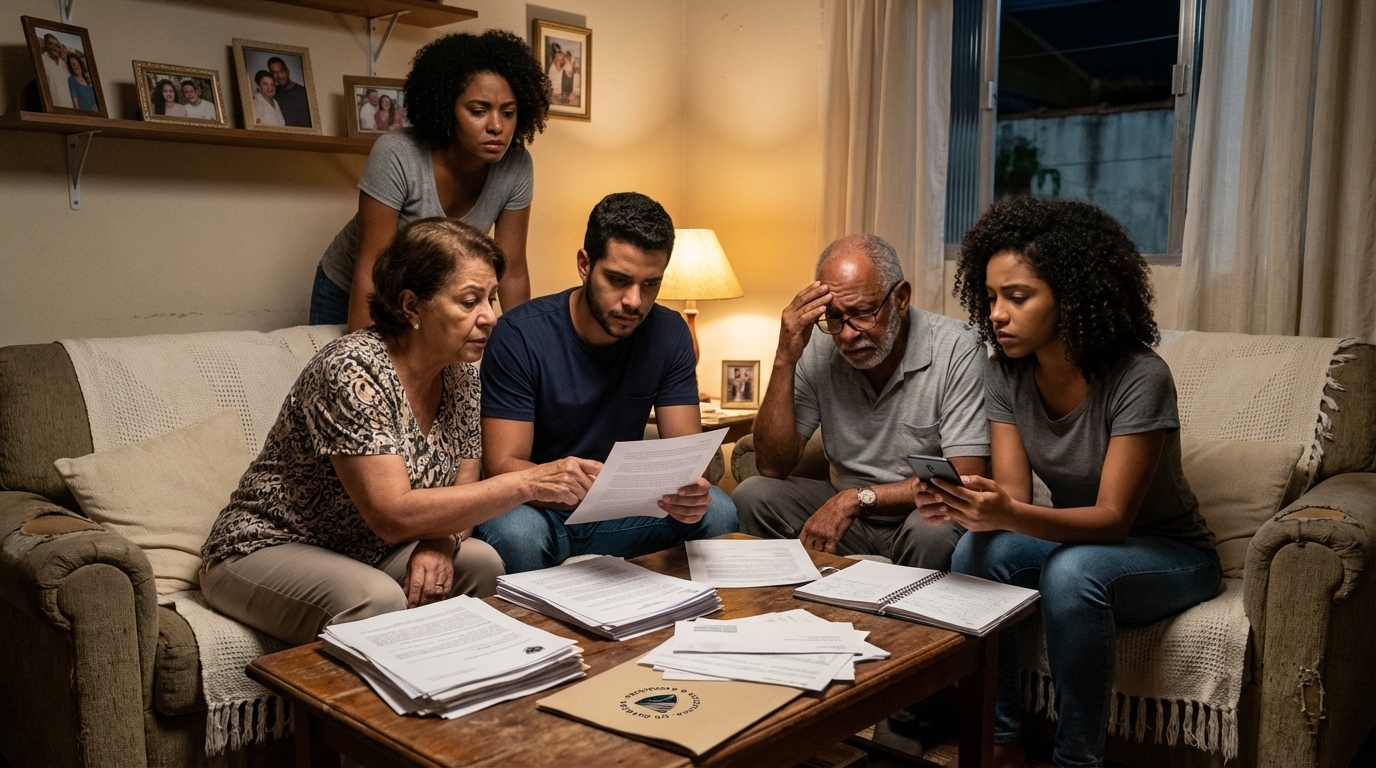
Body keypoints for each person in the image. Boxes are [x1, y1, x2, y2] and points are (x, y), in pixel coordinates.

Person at [919, 197, 1219, 767]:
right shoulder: (1004, 370)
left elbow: (1112, 519)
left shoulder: (1139, 376)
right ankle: (998, 742)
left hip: (1168, 553)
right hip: (1081, 541)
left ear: (1073, 296)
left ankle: (1077, 760)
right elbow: (1014, 497)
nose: (998, 314)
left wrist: (1005, 513)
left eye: (1018, 296)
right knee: (976, 550)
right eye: (990, 297)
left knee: (1072, 571)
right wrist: (966, 502)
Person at [200, 218, 600, 645]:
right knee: (374, 601)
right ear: (411, 306)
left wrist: (441, 542)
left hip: (365, 547)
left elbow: (463, 486)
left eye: (491, 298)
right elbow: (391, 514)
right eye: (469, 302)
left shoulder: (460, 373)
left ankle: (471, 692)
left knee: (482, 562)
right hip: (267, 545)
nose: (491, 318)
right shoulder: (352, 370)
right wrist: (526, 482)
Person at [473, 192, 739, 573]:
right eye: (618, 279)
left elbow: (685, 458)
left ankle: (677, 617)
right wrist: (555, 479)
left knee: (719, 510)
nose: (634, 301)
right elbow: (501, 466)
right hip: (542, 511)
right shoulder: (520, 335)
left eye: (650, 284)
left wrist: (690, 491)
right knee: (515, 533)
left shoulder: (668, 333)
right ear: (585, 264)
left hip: (627, 511)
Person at [734, 234, 988, 568]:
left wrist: (855, 499)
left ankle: (907, 620)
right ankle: (782, 608)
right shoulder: (819, 344)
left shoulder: (958, 348)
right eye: (835, 317)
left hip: (920, 512)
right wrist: (785, 358)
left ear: (900, 298)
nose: (847, 334)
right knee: (753, 494)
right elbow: (772, 465)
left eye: (863, 314)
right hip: (849, 517)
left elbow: (963, 480)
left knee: (936, 528)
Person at [312, 30, 551, 328]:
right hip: (351, 286)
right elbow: (371, 271)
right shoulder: (397, 153)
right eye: (478, 111)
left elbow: (512, 271)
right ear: (445, 109)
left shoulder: (516, 165)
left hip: (425, 294)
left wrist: (523, 348)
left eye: (509, 112)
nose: (496, 126)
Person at [267, 56, 311, 127]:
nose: (279, 76)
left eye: (281, 71)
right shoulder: (271, 95)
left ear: (287, 71)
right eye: (274, 73)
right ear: (271, 76)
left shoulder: (304, 92)